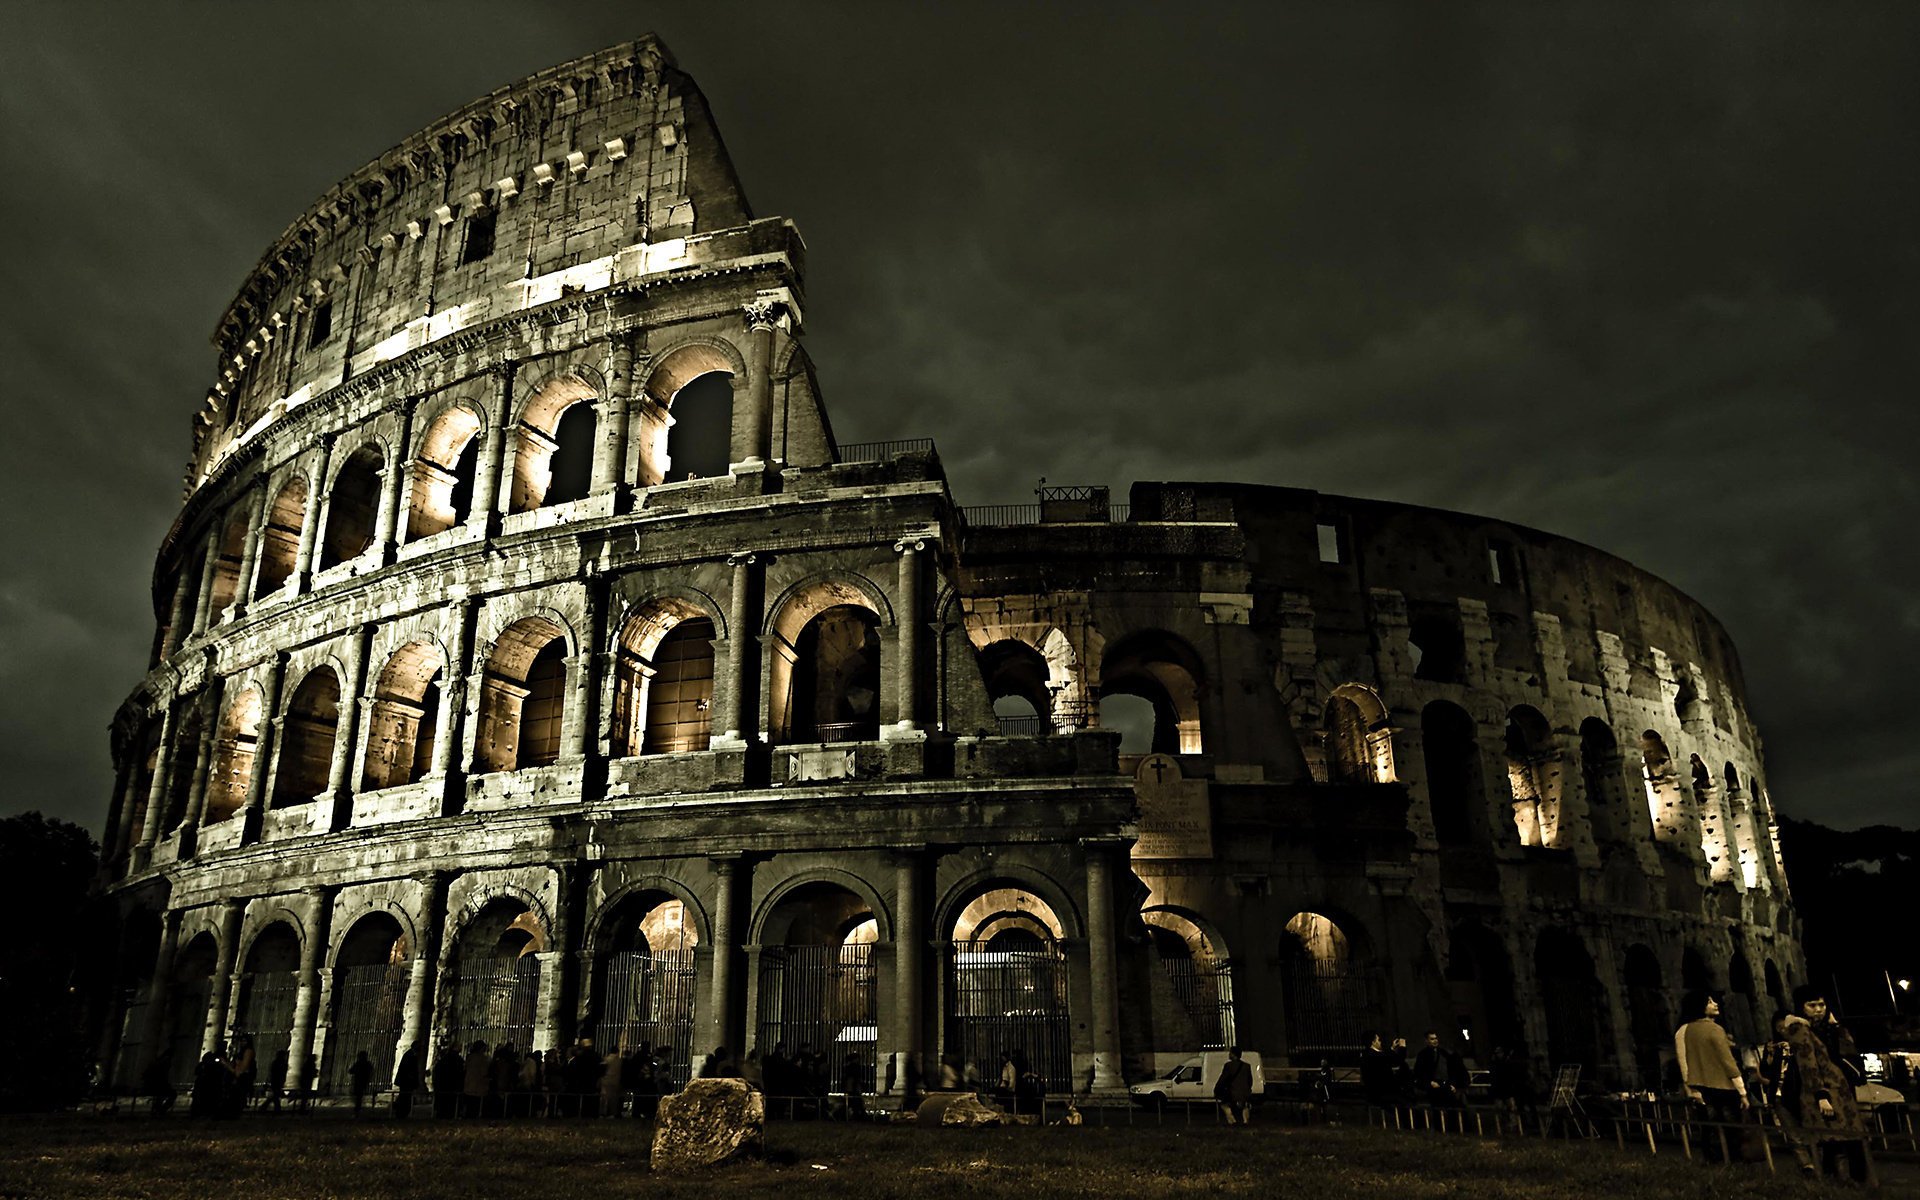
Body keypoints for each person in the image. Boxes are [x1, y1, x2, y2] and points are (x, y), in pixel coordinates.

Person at [1788, 985, 1876, 1184]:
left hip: (1840, 1090)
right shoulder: (1799, 1029)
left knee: (1845, 1141)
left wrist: (1836, 1026)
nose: (1819, 1009)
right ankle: (1844, 1184)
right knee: (1837, 1142)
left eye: (1821, 1004)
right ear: (1801, 1007)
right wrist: (1821, 1095)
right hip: (1826, 1092)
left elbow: (1847, 1051)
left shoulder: (1823, 1028)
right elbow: (1807, 1063)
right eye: (1812, 1005)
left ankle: (1847, 1183)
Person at [1675, 991, 1748, 1161]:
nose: (1715, 1004)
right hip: (1725, 1088)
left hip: (1699, 1087)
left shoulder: (1683, 1031)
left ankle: (1712, 1161)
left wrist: (1691, 1089)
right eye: (1709, 1002)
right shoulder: (1715, 1029)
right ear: (1700, 1006)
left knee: (1709, 1129)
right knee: (1732, 1130)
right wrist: (1742, 1092)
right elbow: (1728, 1063)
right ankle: (1736, 1162)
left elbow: (1683, 1062)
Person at [1759, 1011, 1816, 1175]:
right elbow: (1765, 1072)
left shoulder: (1802, 1042)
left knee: (1809, 1130)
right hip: (1779, 1095)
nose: (1782, 1031)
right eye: (1778, 1028)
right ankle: (1806, 1167)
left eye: (1785, 1026)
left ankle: (1818, 1163)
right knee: (1792, 1134)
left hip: (1800, 1093)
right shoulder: (1773, 1046)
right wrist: (1769, 1056)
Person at [1412, 1031, 1467, 1107]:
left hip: (1445, 1084)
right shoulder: (1423, 1055)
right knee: (1437, 1108)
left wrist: (1453, 1084)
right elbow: (1419, 1072)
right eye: (1432, 1039)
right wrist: (1430, 1082)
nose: (1435, 1041)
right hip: (1434, 1086)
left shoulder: (1444, 1053)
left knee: (1451, 1108)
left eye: (1436, 1038)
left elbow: (1452, 1070)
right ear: (1426, 1041)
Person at [1214, 1045, 1254, 1125]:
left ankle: (1232, 1120)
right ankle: (1245, 1120)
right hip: (1245, 1093)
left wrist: (1217, 1089)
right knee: (1245, 1105)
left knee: (1224, 1105)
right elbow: (1250, 1080)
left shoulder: (1229, 1066)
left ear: (1233, 1054)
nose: (1229, 1054)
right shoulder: (1246, 1066)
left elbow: (1223, 1079)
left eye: (1230, 1053)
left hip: (1233, 1092)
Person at [1360, 1031, 1401, 1109]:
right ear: (1373, 1042)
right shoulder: (1374, 1055)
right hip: (1382, 1092)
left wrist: (1392, 1048)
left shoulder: (1366, 1054)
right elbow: (1395, 1060)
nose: (1380, 1042)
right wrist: (1402, 1048)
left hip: (1373, 1091)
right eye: (1378, 1040)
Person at [461, 1039, 490, 1118]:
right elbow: (484, 1072)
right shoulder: (483, 1059)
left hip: (469, 1085)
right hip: (478, 1086)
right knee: (475, 1107)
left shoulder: (469, 1057)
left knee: (469, 1106)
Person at [432, 1043, 462, 1118]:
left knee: (443, 1104)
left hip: (443, 1085)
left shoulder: (444, 1059)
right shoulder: (457, 1059)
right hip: (451, 1085)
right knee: (449, 1105)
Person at [393, 1047, 421, 1118]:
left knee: (405, 1096)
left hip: (406, 1082)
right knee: (405, 1097)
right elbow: (410, 1071)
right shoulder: (410, 1056)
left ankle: (401, 1111)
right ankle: (401, 1112)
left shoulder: (409, 1055)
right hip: (407, 1082)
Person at [348, 1050, 374, 1116]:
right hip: (363, 1081)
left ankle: (358, 1108)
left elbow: (351, 1071)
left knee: (358, 1095)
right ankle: (358, 1108)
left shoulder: (358, 1063)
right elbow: (371, 1071)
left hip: (358, 1081)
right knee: (359, 1095)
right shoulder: (367, 1064)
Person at [264, 1049, 289, 1113]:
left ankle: (266, 1107)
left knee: (275, 1096)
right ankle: (277, 1109)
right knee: (275, 1096)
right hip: (277, 1081)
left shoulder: (276, 1062)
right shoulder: (281, 1063)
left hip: (275, 1081)